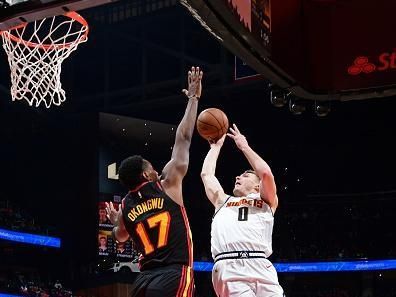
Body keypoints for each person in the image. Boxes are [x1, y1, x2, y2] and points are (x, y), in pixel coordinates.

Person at [106, 66, 203, 297]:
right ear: (147, 174)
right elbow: (184, 137)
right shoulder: (166, 183)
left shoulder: (127, 205)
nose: (156, 168)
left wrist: (115, 221)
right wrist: (193, 98)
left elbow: (119, 237)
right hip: (173, 273)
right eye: (151, 166)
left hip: (144, 281)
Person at [200, 124, 284, 297]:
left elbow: (266, 174)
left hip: (261, 265)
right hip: (229, 266)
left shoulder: (266, 199)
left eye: (245, 175)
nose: (238, 177)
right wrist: (215, 148)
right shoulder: (222, 200)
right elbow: (207, 175)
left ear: (257, 185)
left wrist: (244, 147)